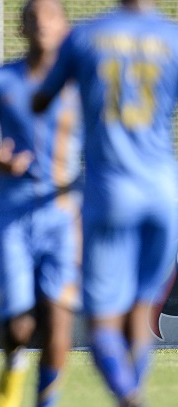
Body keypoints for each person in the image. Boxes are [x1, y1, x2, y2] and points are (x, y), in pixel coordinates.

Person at [32, 1, 178, 405]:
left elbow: (41, 100)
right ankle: (134, 392)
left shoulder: (85, 36)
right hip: (166, 193)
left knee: (101, 328)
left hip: (111, 192)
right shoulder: (173, 38)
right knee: (139, 312)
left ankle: (132, 400)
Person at [0, 1, 82, 406]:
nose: (42, 25)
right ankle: (14, 365)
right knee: (18, 328)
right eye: (33, 18)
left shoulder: (79, 82)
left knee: (57, 323)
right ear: (21, 27)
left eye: (50, 17)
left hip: (63, 215)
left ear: (65, 25)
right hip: (14, 216)